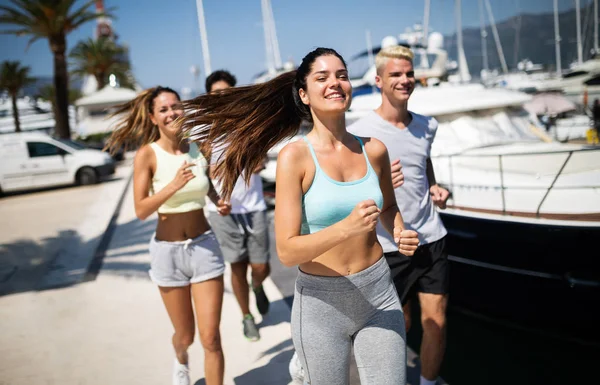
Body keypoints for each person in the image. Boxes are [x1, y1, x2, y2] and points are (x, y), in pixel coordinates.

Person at [178, 47, 420, 385]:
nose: (335, 83)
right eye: (322, 77)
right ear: (304, 94)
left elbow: (389, 207)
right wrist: (346, 228)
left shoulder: (375, 150)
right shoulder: (295, 157)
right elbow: (288, 251)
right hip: (321, 305)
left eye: (342, 75)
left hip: (378, 293)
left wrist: (399, 231)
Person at [104, 86, 231, 385]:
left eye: (175, 106)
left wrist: (217, 201)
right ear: (153, 117)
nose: (172, 112)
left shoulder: (199, 148)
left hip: (205, 247)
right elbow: (141, 210)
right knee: (185, 335)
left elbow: (205, 183)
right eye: (164, 109)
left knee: (211, 337)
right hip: (168, 253)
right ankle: (181, 358)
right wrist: (172, 185)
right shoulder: (148, 154)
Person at [348, 45, 450, 385]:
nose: (405, 80)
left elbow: (423, 161)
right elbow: (348, 191)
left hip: (431, 237)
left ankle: (428, 383)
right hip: (388, 245)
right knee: (397, 324)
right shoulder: (362, 132)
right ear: (378, 80)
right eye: (396, 74)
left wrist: (434, 186)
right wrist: (376, 185)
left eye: (409, 73)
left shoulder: (427, 125)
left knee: (436, 320)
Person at [204, 70, 271, 342]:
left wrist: (240, 159)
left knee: (261, 267)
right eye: (215, 94)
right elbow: (202, 173)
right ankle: (247, 317)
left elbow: (260, 163)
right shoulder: (202, 130)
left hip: (254, 207)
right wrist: (214, 200)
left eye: (226, 93)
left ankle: (258, 286)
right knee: (237, 267)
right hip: (223, 211)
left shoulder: (249, 124)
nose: (221, 98)